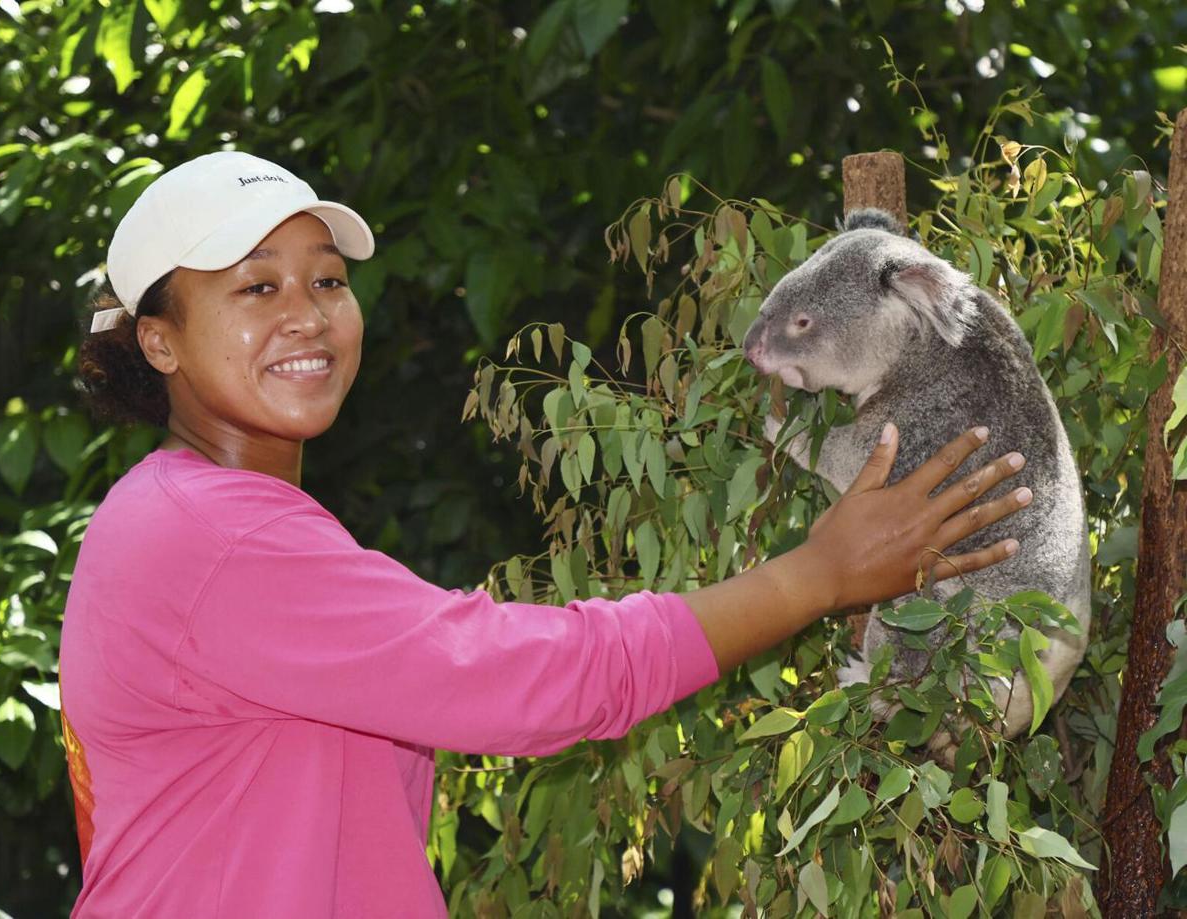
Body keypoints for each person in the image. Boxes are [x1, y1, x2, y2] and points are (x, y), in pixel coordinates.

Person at [60, 151, 1029, 917]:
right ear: (160, 339)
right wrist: (815, 574)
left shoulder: (207, 516)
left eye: (325, 281)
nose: (308, 316)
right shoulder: (214, 538)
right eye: (255, 289)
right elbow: (525, 676)